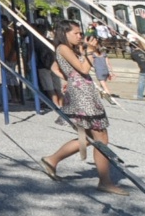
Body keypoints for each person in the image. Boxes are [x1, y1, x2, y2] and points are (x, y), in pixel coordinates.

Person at [41, 20, 129, 194]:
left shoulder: (68, 49)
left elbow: (55, 67)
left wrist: (69, 77)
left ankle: (52, 159)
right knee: (101, 138)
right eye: (76, 33)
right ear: (64, 33)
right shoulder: (63, 48)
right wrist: (87, 53)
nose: (80, 36)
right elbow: (83, 68)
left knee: (88, 137)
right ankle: (105, 181)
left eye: (80, 33)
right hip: (83, 95)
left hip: (83, 91)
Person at [88, 36, 116, 105]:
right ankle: (102, 96)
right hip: (105, 71)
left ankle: (110, 98)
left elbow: (91, 62)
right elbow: (108, 63)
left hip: (99, 71)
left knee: (104, 85)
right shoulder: (104, 54)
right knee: (103, 84)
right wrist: (111, 72)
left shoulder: (93, 55)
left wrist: (92, 68)